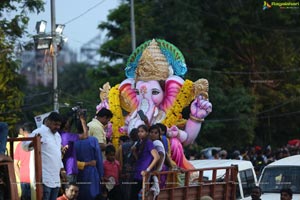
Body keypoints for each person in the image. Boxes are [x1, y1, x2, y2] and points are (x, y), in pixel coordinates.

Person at [22, 112, 66, 200]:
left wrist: (62, 169)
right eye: (55, 124)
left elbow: (57, 153)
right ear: (48, 121)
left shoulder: (57, 135)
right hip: (44, 177)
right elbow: (24, 146)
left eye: (59, 125)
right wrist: (33, 142)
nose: (57, 127)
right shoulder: (38, 132)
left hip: (56, 177)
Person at [130, 124, 159, 200]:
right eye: (139, 131)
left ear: (147, 133)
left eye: (142, 131)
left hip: (143, 174)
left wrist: (147, 170)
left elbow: (157, 157)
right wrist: (134, 152)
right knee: (134, 194)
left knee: (135, 194)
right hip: (138, 172)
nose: (140, 133)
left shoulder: (148, 142)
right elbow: (140, 159)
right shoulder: (140, 142)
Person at [60, 112, 88, 183]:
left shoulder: (58, 135)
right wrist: (83, 120)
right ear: (65, 124)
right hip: (70, 168)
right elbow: (85, 135)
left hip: (63, 169)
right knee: (72, 191)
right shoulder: (68, 136)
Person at [14, 122, 36, 200]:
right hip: (35, 177)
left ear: (23, 131)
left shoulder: (19, 145)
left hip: (24, 177)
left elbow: (15, 164)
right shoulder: (37, 144)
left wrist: (20, 177)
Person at [116, 128, 138, 200]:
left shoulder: (123, 146)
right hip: (135, 173)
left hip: (124, 173)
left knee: (125, 193)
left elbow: (118, 160)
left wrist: (120, 171)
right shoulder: (140, 145)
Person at [149, 124, 166, 197]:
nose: (153, 134)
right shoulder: (152, 143)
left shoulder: (156, 142)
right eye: (151, 132)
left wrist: (157, 169)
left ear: (159, 134)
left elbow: (161, 155)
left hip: (157, 171)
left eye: (156, 133)